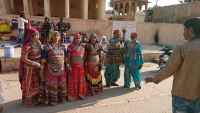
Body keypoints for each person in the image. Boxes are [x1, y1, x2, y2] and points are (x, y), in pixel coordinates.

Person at [144, 18, 200, 113]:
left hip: (182, 95)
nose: (183, 32)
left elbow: (168, 70)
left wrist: (154, 79)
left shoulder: (182, 48)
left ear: (191, 29)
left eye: (184, 29)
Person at [39, 31, 68, 106]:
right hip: (50, 69)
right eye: (54, 35)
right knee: (52, 83)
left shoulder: (62, 46)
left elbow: (66, 57)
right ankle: (51, 99)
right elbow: (43, 58)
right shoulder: (48, 46)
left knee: (61, 82)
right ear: (52, 36)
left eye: (57, 35)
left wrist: (68, 65)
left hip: (61, 69)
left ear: (59, 37)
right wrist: (42, 68)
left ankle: (61, 98)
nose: (56, 36)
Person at [18, 28, 42, 107]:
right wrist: (34, 63)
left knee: (38, 83)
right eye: (36, 35)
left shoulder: (38, 43)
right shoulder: (26, 46)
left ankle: (37, 99)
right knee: (30, 84)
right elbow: (24, 59)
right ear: (31, 36)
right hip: (30, 68)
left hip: (38, 67)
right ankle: (29, 100)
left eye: (38, 34)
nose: (38, 36)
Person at [67, 33, 87, 101]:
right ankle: (73, 95)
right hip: (73, 65)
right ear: (74, 39)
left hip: (81, 66)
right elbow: (68, 58)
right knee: (74, 80)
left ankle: (81, 94)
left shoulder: (83, 46)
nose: (78, 39)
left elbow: (84, 56)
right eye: (76, 38)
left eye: (79, 38)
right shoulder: (70, 46)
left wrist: (84, 64)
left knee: (81, 79)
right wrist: (69, 65)